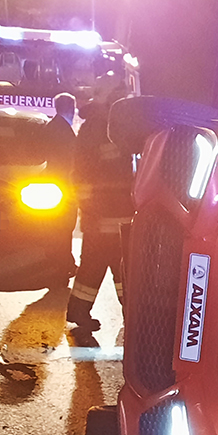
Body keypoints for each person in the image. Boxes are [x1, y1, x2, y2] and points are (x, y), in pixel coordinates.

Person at [65, 85, 135, 335]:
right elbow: (82, 173)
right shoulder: (96, 130)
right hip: (104, 216)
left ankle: (81, 311)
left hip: (119, 215)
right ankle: (131, 313)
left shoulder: (116, 130)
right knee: (114, 266)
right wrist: (93, 212)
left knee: (115, 266)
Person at [46, 93, 78, 282]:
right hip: (63, 185)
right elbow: (70, 159)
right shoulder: (63, 129)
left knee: (61, 227)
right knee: (64, 226)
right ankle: (63, 263)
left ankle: (63, 262)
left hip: (57, 183)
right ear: (71, 108)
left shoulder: (53, 126)